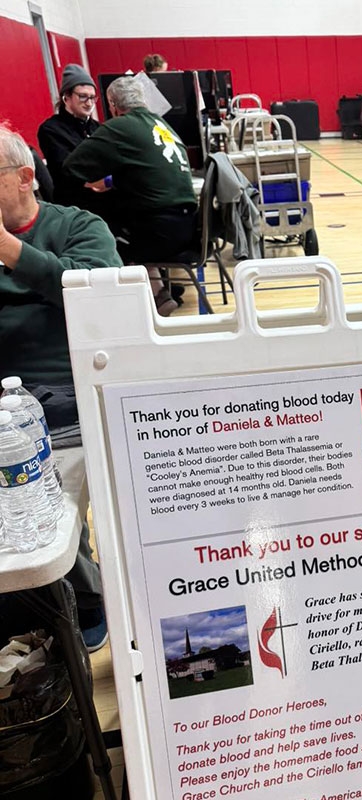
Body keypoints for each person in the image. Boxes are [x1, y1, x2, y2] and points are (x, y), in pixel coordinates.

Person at [0, 122, 121, 651]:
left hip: (64, 398)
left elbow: (99, 302)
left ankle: (84, 599)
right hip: (7, 403)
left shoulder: (78, 227)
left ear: (25, 177)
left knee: (44, 503)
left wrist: (10, 250)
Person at [62, 76, 197, 314]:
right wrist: (111, 180)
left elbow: (71, 168)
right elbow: (152, 167)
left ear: (112, 105)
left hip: (158, 231)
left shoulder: (119, 126)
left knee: (101, 229)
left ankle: (123, 305)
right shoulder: (161, 124)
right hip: (189, 226)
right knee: (129, 217)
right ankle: (158, 292)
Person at [36, 64, 100, 205]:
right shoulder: (50, 130)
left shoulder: (97, 127)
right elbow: (68, 171)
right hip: (75, 203)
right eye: (83, 97)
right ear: (67, 97)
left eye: (92, 98)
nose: (89, 103)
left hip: (102, 197)